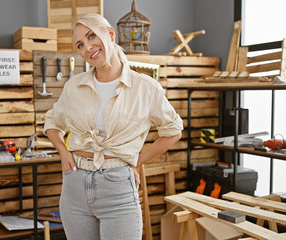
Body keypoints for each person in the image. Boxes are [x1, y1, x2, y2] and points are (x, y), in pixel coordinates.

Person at [43, 13, 183, 240]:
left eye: (91, 36)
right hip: (75, 186)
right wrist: (62, 151)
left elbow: (173, 131)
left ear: (109, 34)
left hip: (118, 187)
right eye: (80, 44)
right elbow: (52, 122)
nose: (88, 47)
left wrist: (137, 161)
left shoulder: (145, 87)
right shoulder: (73, 86)